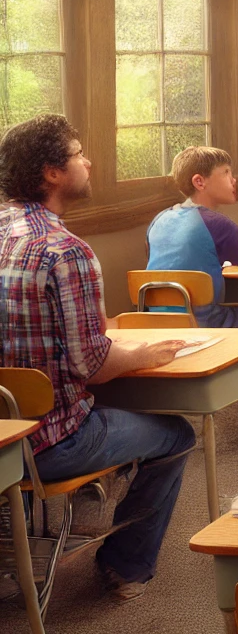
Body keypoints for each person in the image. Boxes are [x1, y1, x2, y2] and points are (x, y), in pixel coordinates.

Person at [0, 114, 194, 599]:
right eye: (79, 153)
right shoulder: (66, 251)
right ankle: (125, 568)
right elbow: (93, 365)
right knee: (176, 434)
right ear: (52, 173)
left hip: (4, 431)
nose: (88, 161)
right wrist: (144, 352)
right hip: (49, 442)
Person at [146, 145, 238, 327]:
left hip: (158, 322)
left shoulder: (159, 220)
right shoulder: (216, 224)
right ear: (199, 182)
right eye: (226, 173)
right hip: (206, 323)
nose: (234, 180)